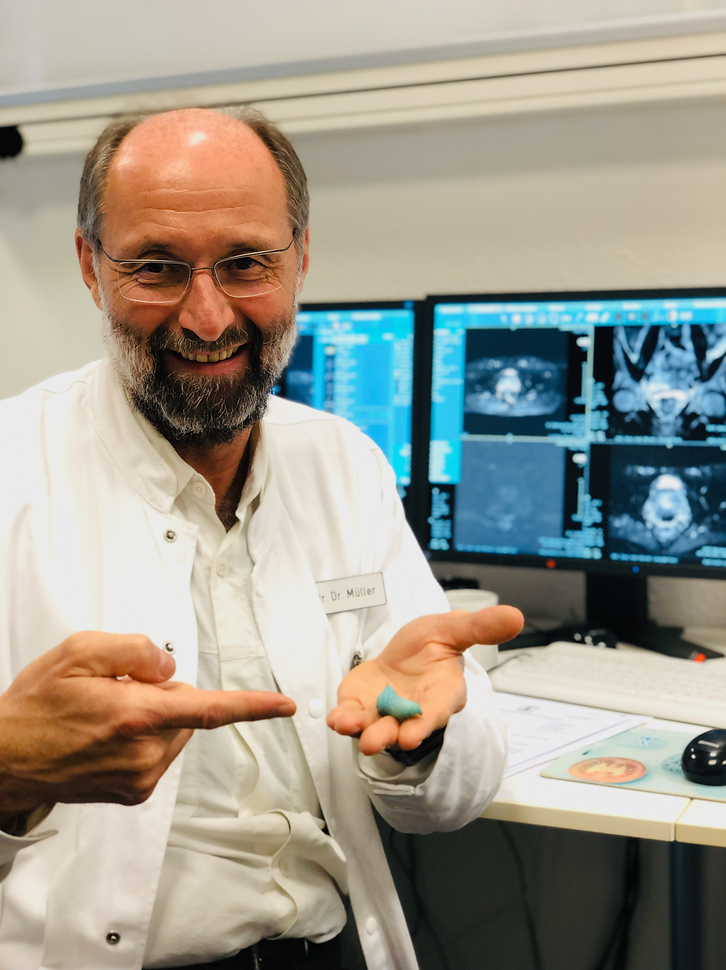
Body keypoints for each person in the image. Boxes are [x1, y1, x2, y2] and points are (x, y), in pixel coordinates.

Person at [0, 106, 522, 970]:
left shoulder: (343, 463)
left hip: (322, 948)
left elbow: (445, 789)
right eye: (157, 268)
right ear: (92, 268)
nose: (207, 318)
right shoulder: (12, 469)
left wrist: (413, 726)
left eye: (246, 264)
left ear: (302, 258)